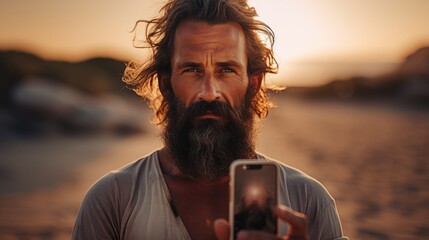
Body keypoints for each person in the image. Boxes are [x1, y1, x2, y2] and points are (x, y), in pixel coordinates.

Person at [72, 0, 348, 239]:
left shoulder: (308, 201)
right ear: (166, 84)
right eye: (192, 69)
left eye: (226, 70)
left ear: (253, 84)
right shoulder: (113, 199)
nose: (209, 92)